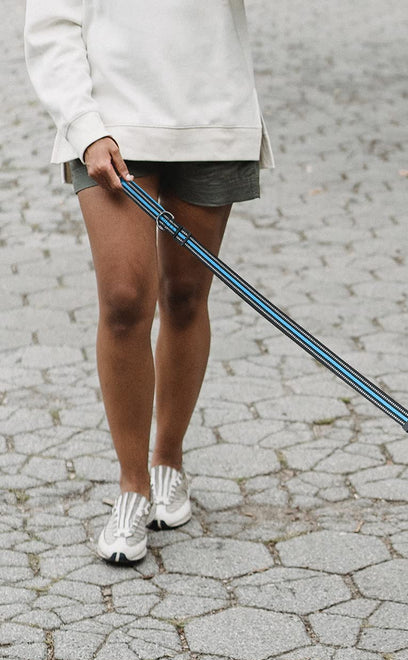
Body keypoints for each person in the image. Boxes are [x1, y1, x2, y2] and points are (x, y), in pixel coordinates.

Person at [24, 1, 273, 563]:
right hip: (109, 120)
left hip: (212, 111)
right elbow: (49, 20)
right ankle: (131, 486)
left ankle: (168, 462)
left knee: (186, 296)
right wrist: (84, 126)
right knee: (123, 300)